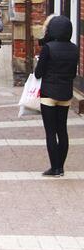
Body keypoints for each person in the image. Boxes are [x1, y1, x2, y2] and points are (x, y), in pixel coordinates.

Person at [34, 15, 79, 176]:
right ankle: (61, 166)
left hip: (49, 93)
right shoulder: (74, 48)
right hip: (66, 93)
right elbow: (73, 73)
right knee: (62, 130)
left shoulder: (49, 47)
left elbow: (38, 73)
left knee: (50, 132)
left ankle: (54, 167)